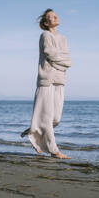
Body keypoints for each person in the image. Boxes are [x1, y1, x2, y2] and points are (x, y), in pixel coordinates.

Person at [20, 8, 72, 159]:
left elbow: (67, 59)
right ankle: (54, 151)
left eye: (55, 15)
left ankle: (34, 130)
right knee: (47, 118)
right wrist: (63, 61)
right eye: (51, 16)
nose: (55, 17)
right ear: (45, 22)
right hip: (46, 80)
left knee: (56, 118)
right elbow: (50, 53)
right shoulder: (45, 35)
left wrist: (62, 62)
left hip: (60, 80)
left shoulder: (63, 38)